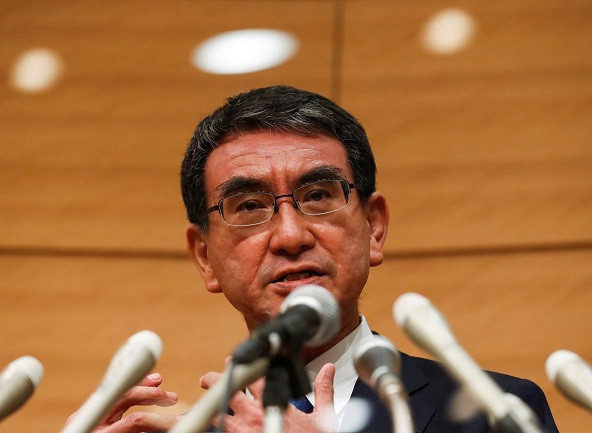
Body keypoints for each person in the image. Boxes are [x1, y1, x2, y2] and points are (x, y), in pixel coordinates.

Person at [80, 86, 559, 432]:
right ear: (204, 256)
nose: (290, 235)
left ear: (373, 226)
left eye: (317, 195)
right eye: (249, 206)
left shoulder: (496, 413)